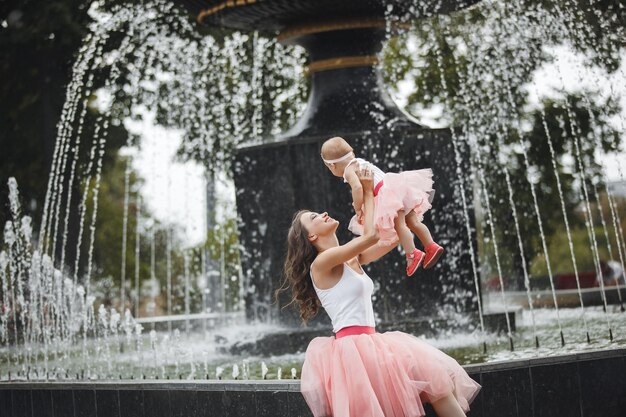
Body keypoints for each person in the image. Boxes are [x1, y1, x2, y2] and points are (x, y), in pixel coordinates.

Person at [278, 166, 480, 417]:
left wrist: (401, 208)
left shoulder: (353, 258)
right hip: (353, 352)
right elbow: (372, 236)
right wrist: (368, 194)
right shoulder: (322, 263)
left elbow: (391, 237)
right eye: (314, 218)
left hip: (374, 343)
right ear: (310, 237)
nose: (323, 213)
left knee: (439, 385)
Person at [320, 136, 443, 276]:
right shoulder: (359, 161)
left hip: (386, 196)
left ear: (332, 166)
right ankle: (431, 245)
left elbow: (358, 188)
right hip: (398, 186)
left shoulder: (348, 171)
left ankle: (412, 254)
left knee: (400, 225)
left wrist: (358, 207)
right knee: (413, 221)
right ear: (352, 153)